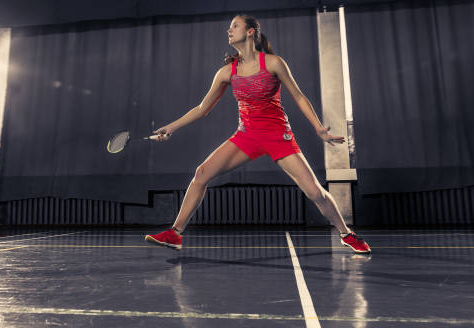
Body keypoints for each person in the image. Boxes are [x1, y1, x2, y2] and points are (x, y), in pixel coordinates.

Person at [145, 14, 370, 254]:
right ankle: (175, 234)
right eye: (229, 27)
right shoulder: (226, 73)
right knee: (201, 173)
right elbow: (202, 109)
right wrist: (172, 127)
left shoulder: (273, 63)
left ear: (251, 31)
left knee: (315, 192)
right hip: (247, 137)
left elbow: (299, 96)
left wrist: (318, 128)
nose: (229, 30)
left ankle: (347, 234)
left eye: (235, 26)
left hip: (277, 136)